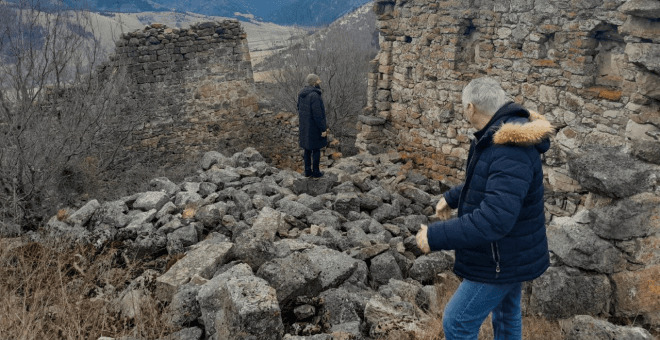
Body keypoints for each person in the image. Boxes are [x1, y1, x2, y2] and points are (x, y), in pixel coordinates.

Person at [415, 77, 555, 340]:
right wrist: (453, 197)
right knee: (506, 313)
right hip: (513, 250)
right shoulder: (498, 134)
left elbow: (494, 219)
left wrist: (434, 236)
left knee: (457, 322)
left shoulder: (509, 148)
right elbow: (491, 182)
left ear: (471, 108)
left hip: (500, 257)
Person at [297, 74, 328, 178]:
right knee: (316, 150)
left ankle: (307, 171)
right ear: (314, 82)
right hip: (314, 128)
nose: (320, 81)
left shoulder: (302, 94)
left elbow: (299, 109)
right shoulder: (314, 95)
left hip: (305, 127)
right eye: (318, 80)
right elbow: (318, 115)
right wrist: (323, 129)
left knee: (307, 150)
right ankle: (316, 172)